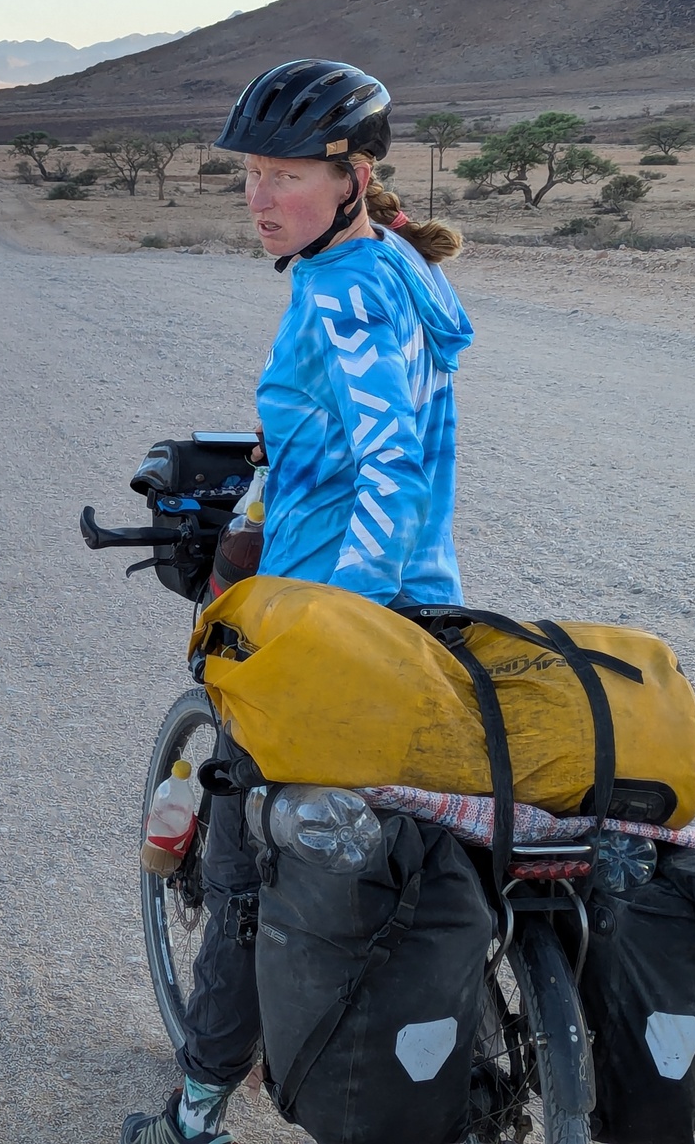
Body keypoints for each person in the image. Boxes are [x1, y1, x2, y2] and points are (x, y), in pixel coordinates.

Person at [122, 59, 475, 1144]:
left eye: (286, 175)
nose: (259, 197)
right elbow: (348, 443)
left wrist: (334, 626)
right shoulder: (396, 264)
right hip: (425, 604)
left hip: (339, 615)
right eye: (251, 174)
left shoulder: (341, 292)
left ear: (352, 176)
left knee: (243, 870)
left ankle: (195, 1112)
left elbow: (389, 469)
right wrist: (263, 508)